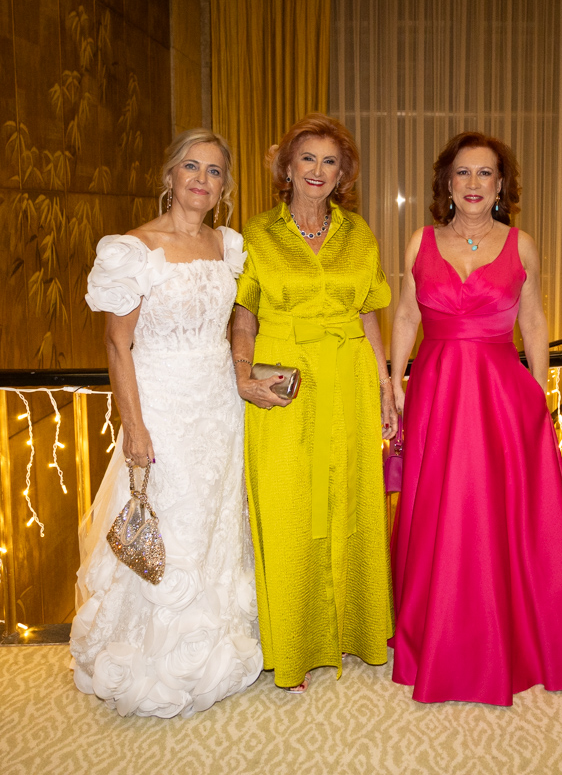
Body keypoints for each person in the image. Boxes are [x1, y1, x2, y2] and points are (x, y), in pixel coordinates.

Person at [387, 131, 562, 705]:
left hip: (499, 397)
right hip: (437, 390)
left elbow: (533, 321)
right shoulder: (420, 242)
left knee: (503, 516)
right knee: (440, 510)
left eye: (484, 173)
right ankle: (439, 635)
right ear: (446, 182)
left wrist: (538, 390)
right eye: (462, 173)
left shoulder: (522, 245)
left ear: (501, 184)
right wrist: (395, 381)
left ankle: (513, 637)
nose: (473, 184)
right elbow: (407, 316)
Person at [70, 129, 263, 718]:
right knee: (167, 524)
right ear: (170, 175)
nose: (202, 180)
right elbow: (117, 345)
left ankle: (214, 645)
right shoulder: (134, 249)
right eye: (191, 167)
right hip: (163, 406)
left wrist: (250, 374)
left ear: (225, 186)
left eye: (214, 171)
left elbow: (237, 323)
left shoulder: (227, 246)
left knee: (215, 522)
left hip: (219, 408)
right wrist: (134, 426)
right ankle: (149, 658)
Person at [230, 114, 397, 693]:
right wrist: (243, 375)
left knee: (352, 503)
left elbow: (369, 314)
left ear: (343, 173)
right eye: (308, 159)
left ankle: (357, 630)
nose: (318, 171)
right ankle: (294, 646)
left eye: (330, 161)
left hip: (349, 380)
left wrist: (385, 387)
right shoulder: (257, 234)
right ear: (287, 167)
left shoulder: (359, 234)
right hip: (285, 385)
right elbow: (244, 315)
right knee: (287, 509)